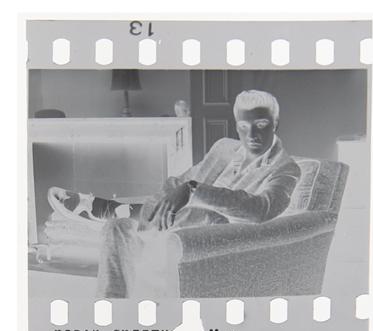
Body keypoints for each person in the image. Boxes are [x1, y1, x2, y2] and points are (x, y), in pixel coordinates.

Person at [48, 90, 301, 298]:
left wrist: (193, 190)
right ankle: (112, 312)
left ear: (275, 124)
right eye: (244, 126)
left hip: (219, 234)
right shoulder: (224, 148)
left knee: (203, 212)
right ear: (237, 126)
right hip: (173, 225)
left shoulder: (286, 169)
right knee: (118, 227)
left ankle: (114, 209)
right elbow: (176, 183)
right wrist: (179, 192)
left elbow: (261, 210)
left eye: (261, 124)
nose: (252, 134)